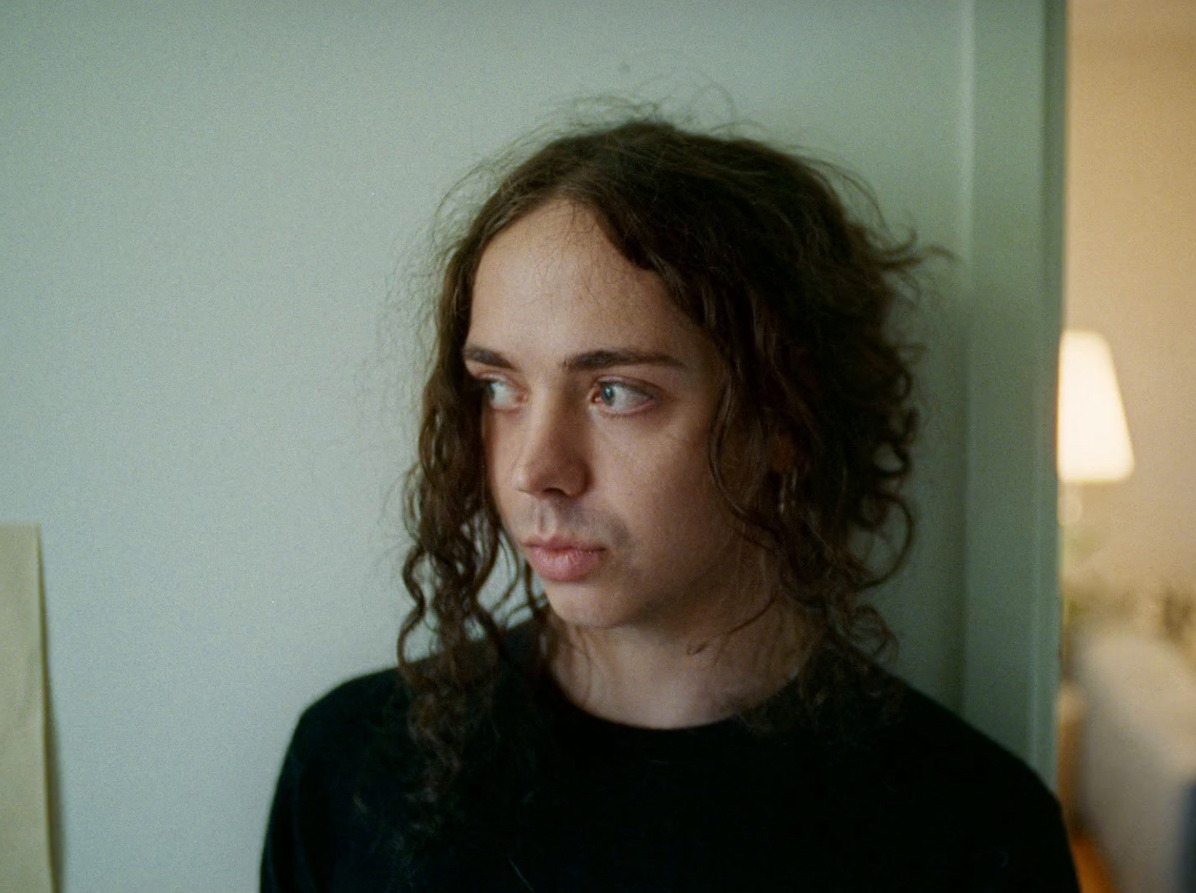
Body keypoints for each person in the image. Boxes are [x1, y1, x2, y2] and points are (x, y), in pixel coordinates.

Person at [261, 116, 1079, 892]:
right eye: (499, 387)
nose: (534, 470)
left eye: (616, 391)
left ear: (783, 418)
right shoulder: (353, 767)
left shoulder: (971, 834)